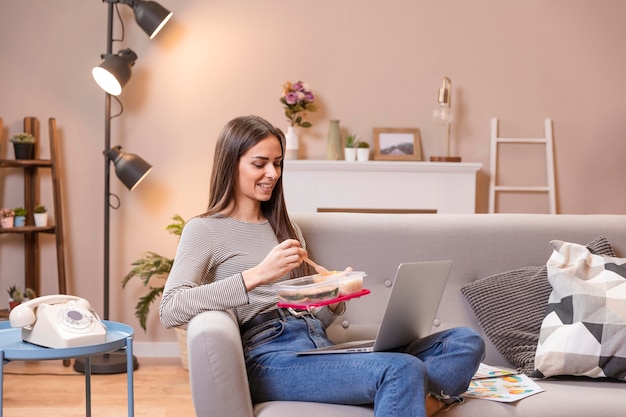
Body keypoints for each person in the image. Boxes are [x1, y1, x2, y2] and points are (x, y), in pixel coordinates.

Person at [159, 115, 485, 417]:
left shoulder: (286, 228)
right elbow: (170, 307)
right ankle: (408, 396)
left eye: (277, 163)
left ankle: (413, 401)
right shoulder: (204, 230)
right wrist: (255, 276)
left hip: (317, 346)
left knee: (464, 341)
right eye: (260, 164)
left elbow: (313, 316)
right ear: (231, 164)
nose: (272, 174)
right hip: (269, 357)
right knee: (401, 368)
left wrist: (334, 297)